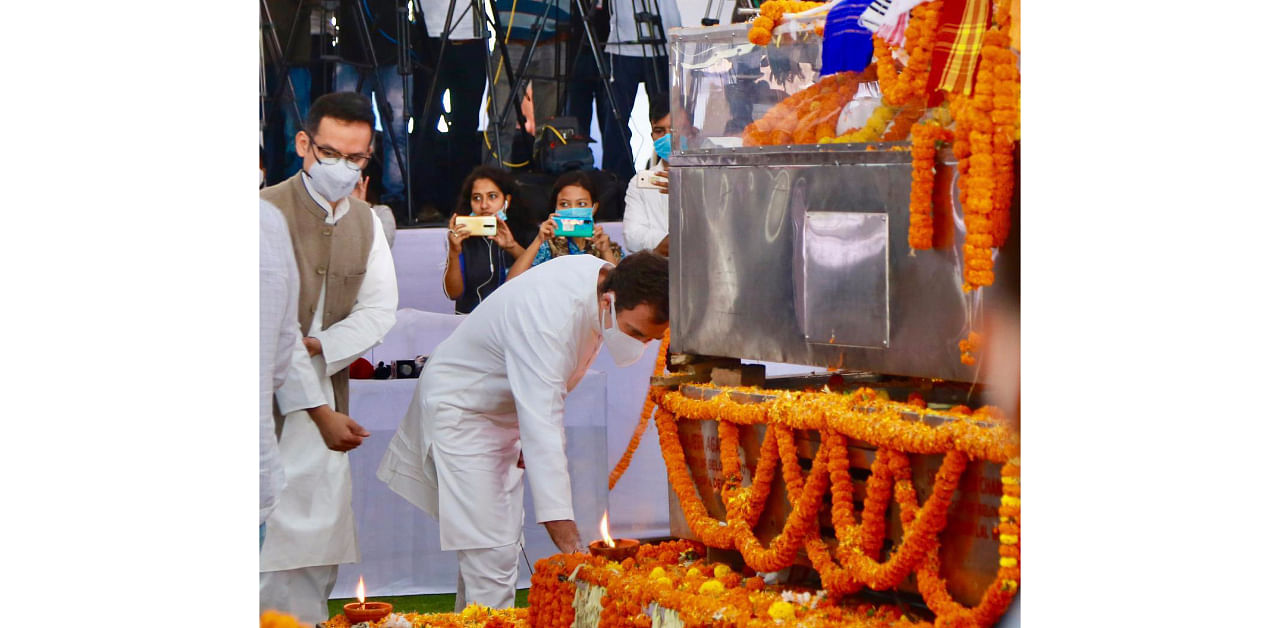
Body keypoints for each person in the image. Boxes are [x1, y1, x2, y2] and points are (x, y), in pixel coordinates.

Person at [378, 251, 671, 609]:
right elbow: (544, 429)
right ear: (608, 301)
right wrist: (573, 549)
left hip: (503, 411)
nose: (639, 344)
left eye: (649, 339)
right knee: (493, 555)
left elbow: (546, 402)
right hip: (462, 410)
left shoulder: (605, 282)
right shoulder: (551, 315)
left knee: (492, 547)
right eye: (635, 333)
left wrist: (523, 438)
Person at [259, 91, 399, 626]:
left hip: (326, 387)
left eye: (355, 159)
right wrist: (316, 406)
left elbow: (379, 310)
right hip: (268, 402)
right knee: (267, 556)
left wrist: (321, 346)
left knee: (316, 555)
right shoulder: (264, 212)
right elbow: (268, 332)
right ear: (303, 145)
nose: (342, 168)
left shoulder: (366, 221)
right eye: (331, 153)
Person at [260, 200, 369, 551]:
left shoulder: (266, 222)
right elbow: (282, 342)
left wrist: (321, 415)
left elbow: (283, 338)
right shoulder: (268, 219)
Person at [334, 0, 412, 220]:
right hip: (351, 51)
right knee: (344, 131)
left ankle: (395, 199)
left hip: (393, 50)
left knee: (396, 131)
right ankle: (346, 193)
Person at [600, 0, 683, 181]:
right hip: (623, 42)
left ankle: (674, 171)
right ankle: (618, 180)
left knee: (669, 117)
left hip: (661, 42)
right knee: (616, 118)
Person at [443, 166, 529, 314]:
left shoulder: (525, 232)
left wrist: (512, 246)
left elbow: (538, 276)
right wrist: (454, 252)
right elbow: (453, 294)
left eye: (492, 196)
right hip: (469, 322)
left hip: (512, 322)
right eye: (477, 198)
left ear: (507, 201)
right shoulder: (461, 238)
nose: (484, 205)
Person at [507, 170, 623, 280]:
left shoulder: (607, 246)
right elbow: (511, 283)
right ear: (555, 208)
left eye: (581, 204)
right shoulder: (547, 247)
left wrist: (606, 251)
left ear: (594, 208)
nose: (573, 210)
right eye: (564, 204)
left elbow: (621, 291)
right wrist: (538, 240)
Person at [622, 100, 672, 256]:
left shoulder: (708, 178)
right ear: (652, 136)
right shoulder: (639, 183)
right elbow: (632, 237)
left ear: (692, 131)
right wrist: (674, 241)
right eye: (659, 131)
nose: (667, 137)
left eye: (674, 130)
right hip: (658, 268)